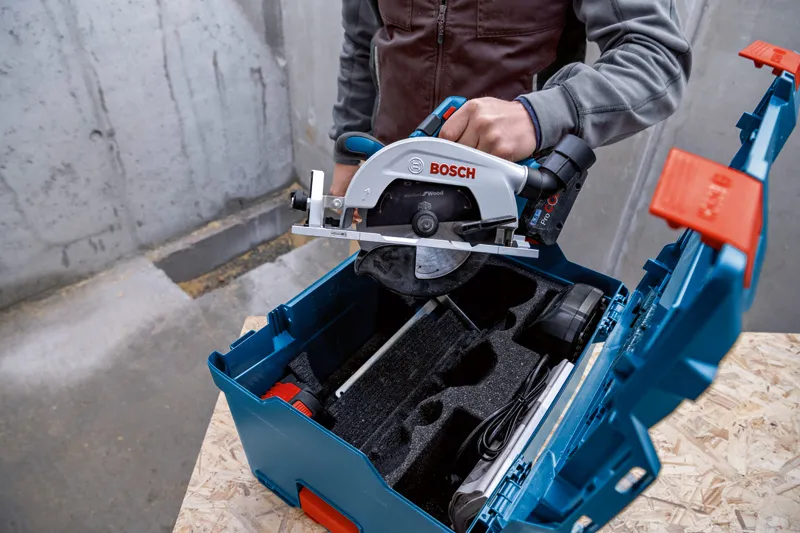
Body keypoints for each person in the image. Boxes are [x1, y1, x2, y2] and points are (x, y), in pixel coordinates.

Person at [327, 0, 692, 197]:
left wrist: (541, 115)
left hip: (507, 187)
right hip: (388, 169)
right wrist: (348, 152)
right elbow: (361, 43)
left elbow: (655, 57)